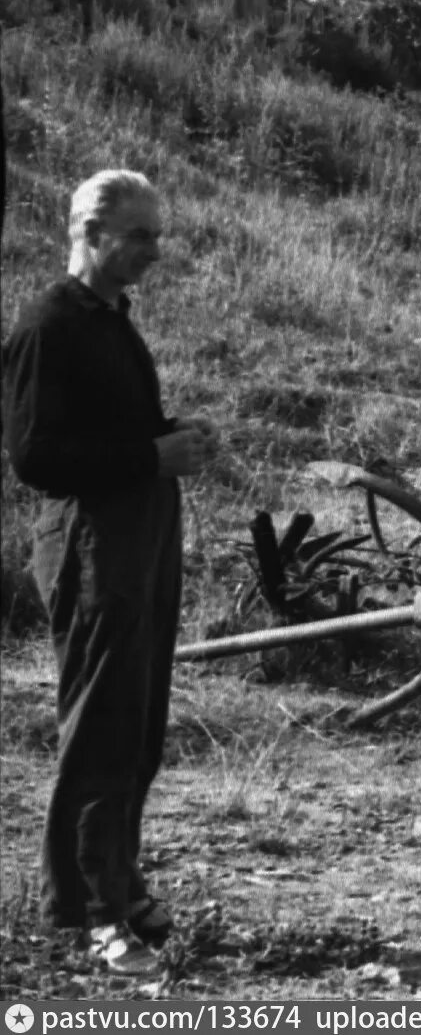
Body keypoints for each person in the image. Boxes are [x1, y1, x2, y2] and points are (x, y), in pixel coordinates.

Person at [2, 169, 220, 974]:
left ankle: (120, 883)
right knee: (99, 726)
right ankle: (93, 911)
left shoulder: (112, 318)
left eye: (157, 236)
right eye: (140, 237)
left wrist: (172, 439)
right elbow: (35, 458)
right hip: (94, 543)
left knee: (138, 721)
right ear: (90, 234)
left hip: (140, 534)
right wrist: (148, 455)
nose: (155, 252)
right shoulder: (49, 325)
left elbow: (113, 431)